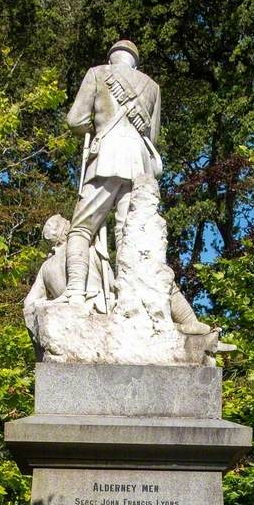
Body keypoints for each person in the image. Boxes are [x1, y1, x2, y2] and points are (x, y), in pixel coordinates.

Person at [65, 40, 211, 335]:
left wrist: (93, 127)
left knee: (80, 229)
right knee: (129, 236)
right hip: (139, 166)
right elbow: (151, 137)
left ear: (112, 58)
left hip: (106, 156)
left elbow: (75, 120)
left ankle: (74, 294)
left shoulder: (97, 73)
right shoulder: (151, 87)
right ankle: (129, 303)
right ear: (135, 61)